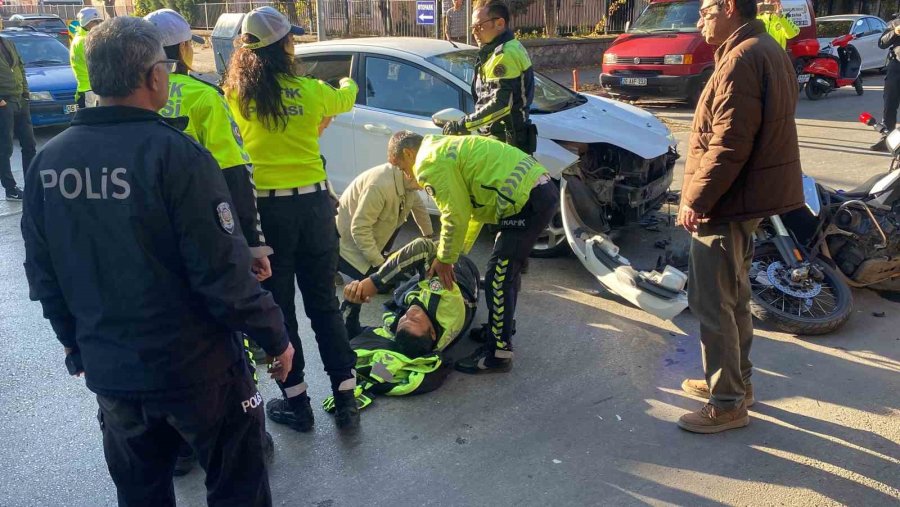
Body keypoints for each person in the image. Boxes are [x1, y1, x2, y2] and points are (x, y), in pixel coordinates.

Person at [21, 16, 294, 506]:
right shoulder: (177, 156)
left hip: (114, 374)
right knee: (238, 487)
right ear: (153, 77)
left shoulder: (50, 162)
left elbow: (43, 274)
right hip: (198, 371)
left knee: (141, 493)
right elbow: (222, 278)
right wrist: (275, 337)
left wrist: (74, 344)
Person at [144, 8, 275, 477]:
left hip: (148, 250)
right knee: (228, 335)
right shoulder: (202, 97)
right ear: (182, 50)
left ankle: (179, 447)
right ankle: (250, 431)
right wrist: (253, 243)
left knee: (167, 337)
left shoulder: (116, 98)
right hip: (205, 241)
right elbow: (235, 172)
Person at [224, 6, 362, 432]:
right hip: (316, 206)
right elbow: (348, 97)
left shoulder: (237, 94)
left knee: (279, 309)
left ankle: (296, 403)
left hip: (269, 211)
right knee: (323, 304)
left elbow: (265, 131)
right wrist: (346, 80)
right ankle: (346, 398)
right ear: (284, 45)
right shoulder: (311, 90)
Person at [677, 0, 803, 434]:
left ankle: (727, 403)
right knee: (733, 297)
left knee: (713, 303)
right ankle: (736, 383)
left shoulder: (742, 57)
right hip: (741, 200)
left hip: (725, 203)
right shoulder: (762, 48)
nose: (699, 20)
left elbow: (728, 144)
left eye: (706, 10)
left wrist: (695, 199)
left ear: (730, 7)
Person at [393, 131, 557, 374]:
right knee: (505, 273)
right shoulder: (442, 147)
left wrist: (445, 259)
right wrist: (456, 253)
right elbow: (468, 212)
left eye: (402, 167)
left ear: (408, 153)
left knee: (498, 279)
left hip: (526, 201)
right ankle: (499, 329)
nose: (406, 175)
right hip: (534, 193)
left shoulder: (428, 162)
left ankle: (498, 355)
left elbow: (454, 214)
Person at [328, 237, 480, 411]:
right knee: (409, 262)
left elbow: (352, 337)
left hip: (426, 286)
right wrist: (375, 282)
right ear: (432, 333)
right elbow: (423, 246)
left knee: (400, 282)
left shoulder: (410, 333)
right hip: (461, 268)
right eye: (414, 319)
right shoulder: (445, 306)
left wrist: (351, 303)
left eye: (404, 320)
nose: (409, 314)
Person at [337, 131, 433, 281]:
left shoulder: (407, 177)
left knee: (394, 274)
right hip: (349, 245)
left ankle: (379, 257)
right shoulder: (380, 186)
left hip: (368, 238)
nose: (422, 187)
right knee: (383, 282)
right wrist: (381, 265)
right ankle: (335, 262)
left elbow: (419, 209)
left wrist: (430, 238)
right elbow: (359, 229)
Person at [442, 0, 536, 154]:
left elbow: (501, 105)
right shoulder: (504, 48)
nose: (474, 32)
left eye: (479, 26)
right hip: (507, 140)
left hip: (507, 144)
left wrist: (463, 124)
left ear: (499, 23)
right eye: (472, 28)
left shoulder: (504, 54)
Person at [0, 17, 35, 201]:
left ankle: (32, 182)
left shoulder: (8, 42)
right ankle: (10, 188)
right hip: (4, 103)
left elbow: (20, 68)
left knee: (29, 145)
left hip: (21, 101)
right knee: (5, 149)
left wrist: (26, 93)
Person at [873, 14, 900, 152]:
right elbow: (882, 43)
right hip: (896, 67)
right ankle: (887, 138)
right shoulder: (895, 23)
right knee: (890, 103)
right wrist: (894, 33)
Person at [70, 7, 102, 108]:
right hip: (89, 90)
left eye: (99, 21)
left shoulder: (83, 38)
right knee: (93, 123)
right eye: (95, 22)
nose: (99, 24)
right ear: (86, 23)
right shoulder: (84, 41)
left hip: (91, 89)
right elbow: (100, 62)